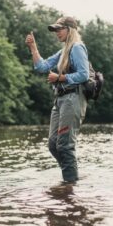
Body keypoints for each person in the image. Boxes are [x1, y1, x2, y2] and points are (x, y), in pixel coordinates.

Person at [25, 16, 89, 183]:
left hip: (73, 99)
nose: (56, 33)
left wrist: (60, 78)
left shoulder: (77, 48)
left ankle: (69, 186)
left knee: (65, 146)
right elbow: (42, 66)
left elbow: (84, 74)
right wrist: (33, 47)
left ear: (70, 30)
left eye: (59, 29)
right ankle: (71, 178)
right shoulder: (64, 51)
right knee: (53, 145)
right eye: (55, 30)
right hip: (60, 101)